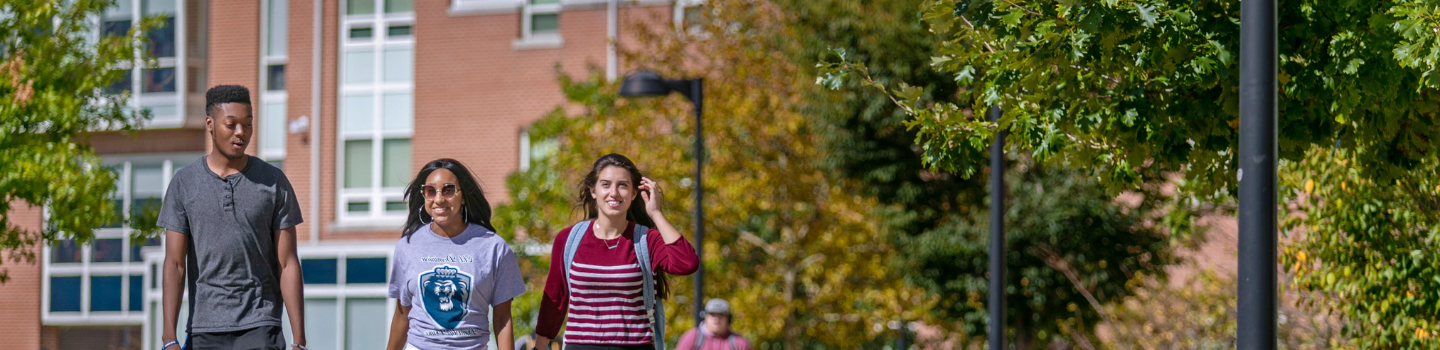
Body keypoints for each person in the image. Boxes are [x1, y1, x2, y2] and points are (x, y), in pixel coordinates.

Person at [158, 85, 307, 350]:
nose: (241, 133)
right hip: (204, 329)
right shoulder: (184, 183)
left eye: (247, 125)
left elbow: (288, 263)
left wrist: (299, 340)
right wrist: (169, 337)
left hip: (261, 326)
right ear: (210, 124)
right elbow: (175, 264)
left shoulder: (274, 182)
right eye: (232, 124)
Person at [533, 154, 700, 350]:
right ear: (593, 191)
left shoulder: (646, 239)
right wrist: (539, 348)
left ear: (634, 193)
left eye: (622, 185)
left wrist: (656, 213)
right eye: (605, 185)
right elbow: (555, 299)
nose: (614, 193)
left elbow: (687, 263)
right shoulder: (569, 239)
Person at [386, 159, 526, 350]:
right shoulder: (408, 246)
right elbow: (402, 315)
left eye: (448, 190)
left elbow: (502, 318)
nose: (439, 199)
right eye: (430, 191)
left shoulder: (493, 247)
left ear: (463, 196)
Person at [675, 299, 752, 350]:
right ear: (705, 317)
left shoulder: (739, 343)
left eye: (721, 315)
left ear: (728, 319)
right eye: (712, 315)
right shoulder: (692, 338)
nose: (716, 319)